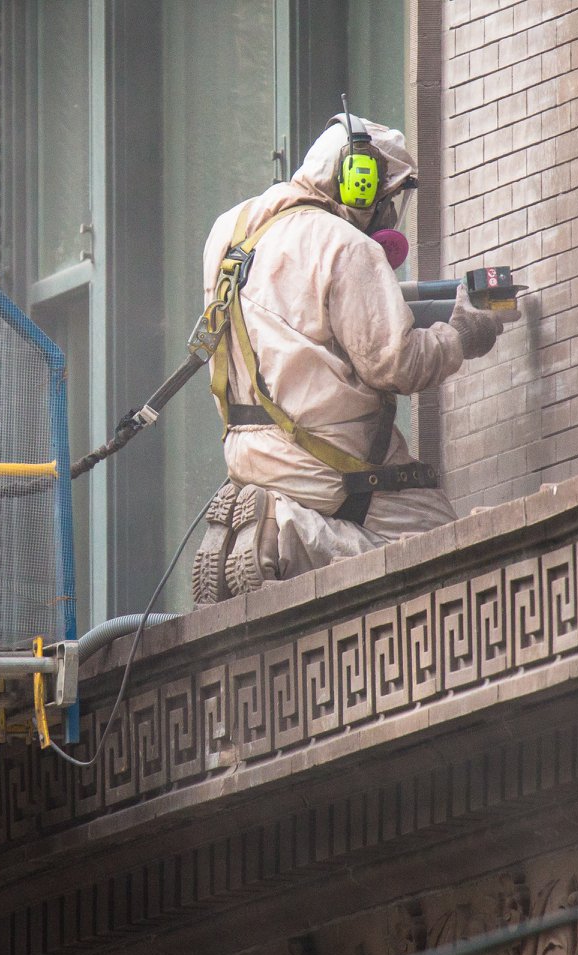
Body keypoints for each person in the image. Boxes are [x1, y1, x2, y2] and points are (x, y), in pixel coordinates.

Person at [191, 114, 518, 605]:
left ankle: (277, 516)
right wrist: (461, 336)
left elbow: (292, 318)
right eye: (387, 198)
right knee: (440, 545)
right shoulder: (347, 246)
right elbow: (398, 365)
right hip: (326, 461)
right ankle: (288, 533)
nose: (388, 215)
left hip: (249, 456)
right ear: (359, 187)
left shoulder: (229, 230)